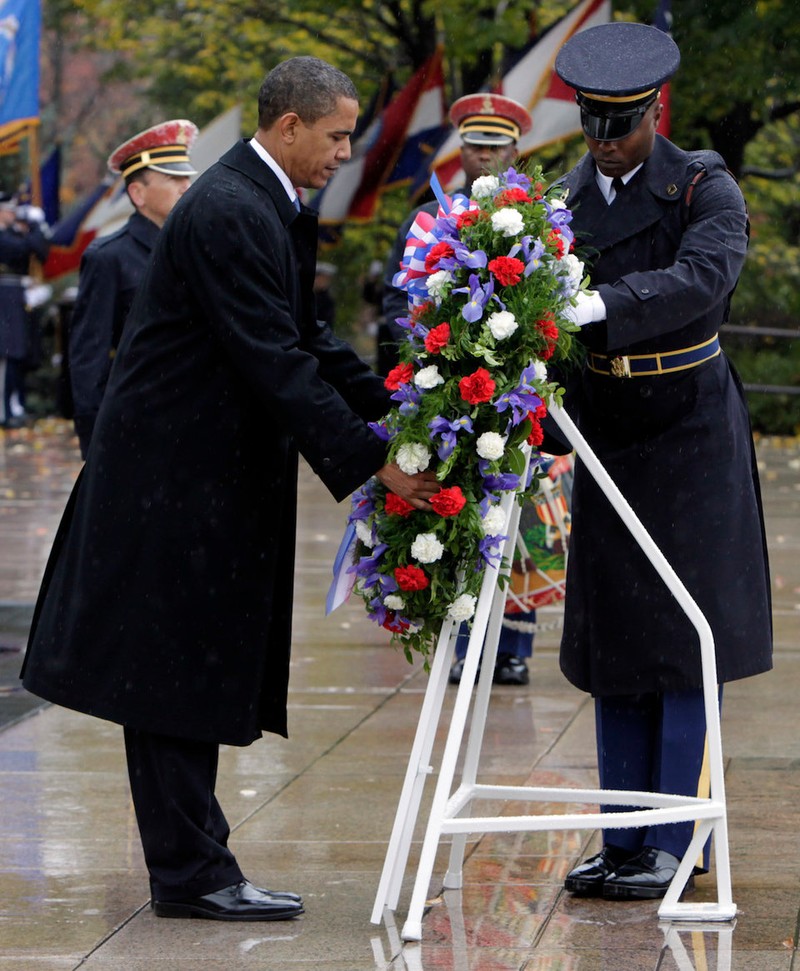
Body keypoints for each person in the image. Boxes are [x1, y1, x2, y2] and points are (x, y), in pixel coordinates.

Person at [21, 56, 438, 923]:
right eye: (335, 135)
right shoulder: (230, 211)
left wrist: (402, 407)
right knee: (166, 677)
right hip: (169, 483)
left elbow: (309, 339)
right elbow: (273, 361)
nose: (344, 152)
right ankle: (190, 873)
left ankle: (197, 860)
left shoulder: (265, 202)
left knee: (186, 672)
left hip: (199, 480)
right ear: (290, 127)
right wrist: (373, 461)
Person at [550, 22, 772, 900]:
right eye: (594, 129)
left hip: (687, 428)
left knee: (685, 641)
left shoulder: (701, 187)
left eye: (623, 128)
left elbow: (703, 279)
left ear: (652, 113)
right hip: (608, 427)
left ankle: (678, 839)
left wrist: (600, 300)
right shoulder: (569, 197)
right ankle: (626, 835)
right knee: (616, 639)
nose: (607, 147)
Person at [383, 92, 538, 687]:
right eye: (474, 145)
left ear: (515, 150)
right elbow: (405, 304)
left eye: (494, 145)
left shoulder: (537, 220)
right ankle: (463, 638)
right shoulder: (426, 217)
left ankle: (514, 647)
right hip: (448, 387)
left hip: (515, 390)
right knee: (458, 512)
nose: (483, 155)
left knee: (524, 523)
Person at [68, 119, 198, 457]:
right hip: (136, 423)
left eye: (186, 177)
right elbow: (88, 356)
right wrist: (95, 440)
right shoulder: (108, 257)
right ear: (137, 193)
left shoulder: (197, 249)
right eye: (173, 178)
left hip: (196, 420)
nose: (186, 186)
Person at [0, 192, 50, 428]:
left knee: (18, 352)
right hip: (5, 295)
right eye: (9, 209)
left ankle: (15, 404)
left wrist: (37, 226)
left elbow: (41, 251)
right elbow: (21, 249)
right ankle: (4, 409)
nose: (13, 213)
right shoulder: (4, 236)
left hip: (16, 294)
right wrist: (36, 226)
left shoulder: (14, 232)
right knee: (7, 352)